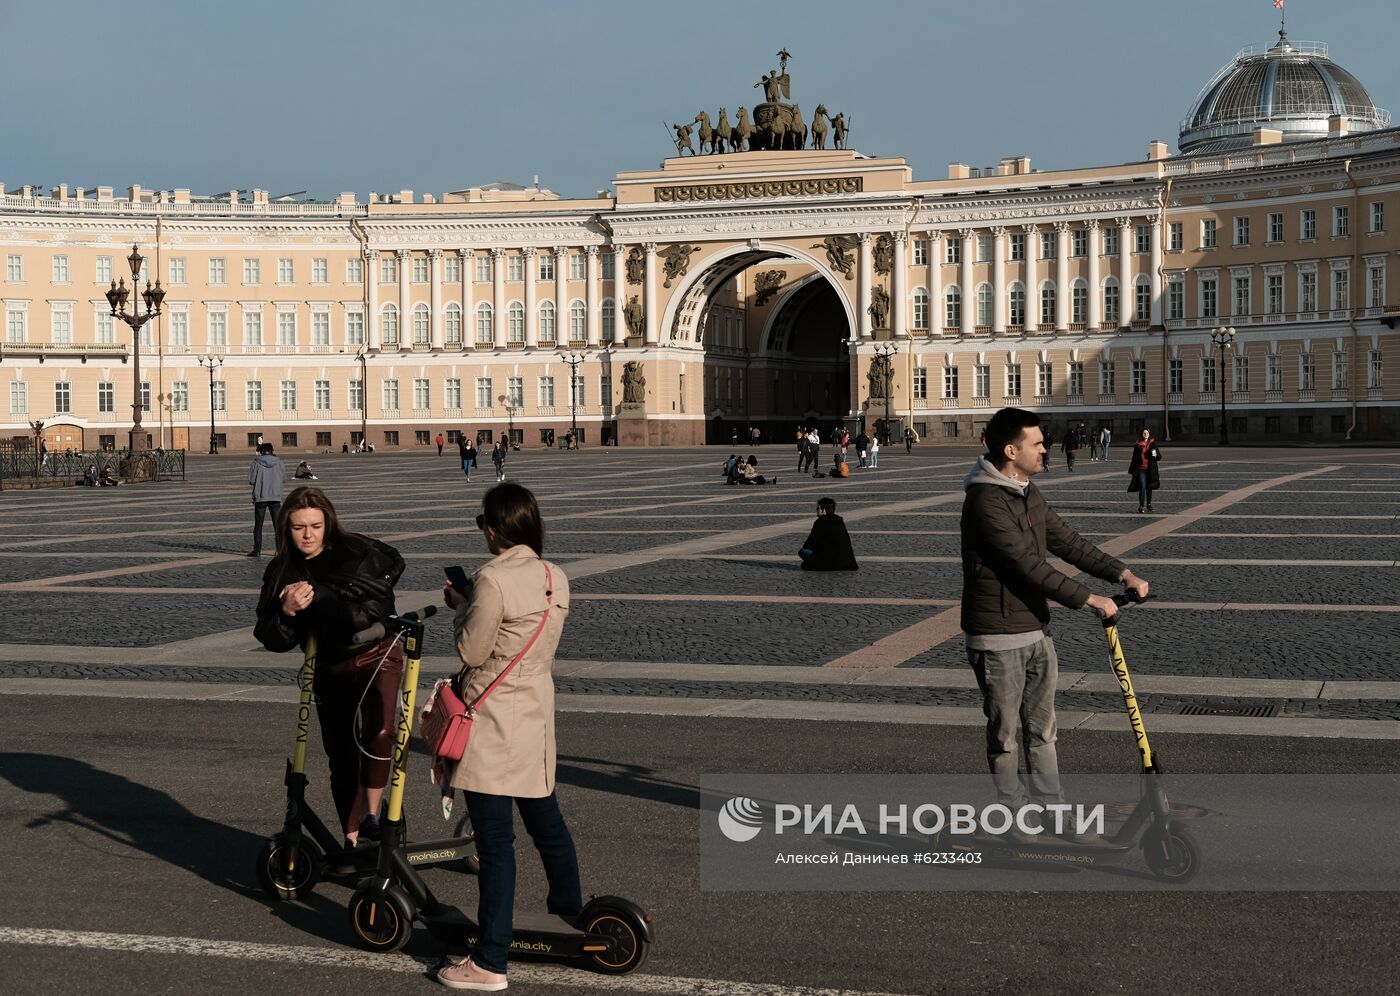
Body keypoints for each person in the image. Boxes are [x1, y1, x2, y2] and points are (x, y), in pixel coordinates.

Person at [961, 407, 1150, 843]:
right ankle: (1016, 819)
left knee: (1043, 732)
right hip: (996, 637)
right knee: (1006, 736)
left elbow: (1067, 542)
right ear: (1011, 451)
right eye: (1037, 443)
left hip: (1035, 632)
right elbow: (1027, 566)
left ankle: (1057, 818)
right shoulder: (986, 501)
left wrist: (1122, 574)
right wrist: (1089, 599)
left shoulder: (1027, 491)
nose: (1046, 448)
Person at [435, 483, 580, 991]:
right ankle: (569, 919)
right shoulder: (554, 576)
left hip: (493, 718)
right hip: (536, 712)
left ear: (494, 529)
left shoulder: (491, 579)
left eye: (483, 524)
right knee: (548, 825)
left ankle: (490, 960)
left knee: (495, 844)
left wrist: (460, 605)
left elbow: (473, 652)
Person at [253, 486, 407, 860]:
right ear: (285, 530)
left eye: (316, 526)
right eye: (298, 527)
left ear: (328, 524)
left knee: (380, 731)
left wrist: (327, 602)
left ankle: (373, 818)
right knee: (340, 755)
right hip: (328, 665)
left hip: (376, 654)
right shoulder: (282, 572)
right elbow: (269, 635)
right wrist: (287, 611)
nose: (308, 535)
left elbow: (380, 599)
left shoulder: (355, 551)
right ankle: (352, 838)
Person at [798, 497, 858, 571]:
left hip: (830, 562)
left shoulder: (820, 522)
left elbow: (808, 545)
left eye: (818, 508)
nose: (816, 510)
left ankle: (813, 564)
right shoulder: (839, 520)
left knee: (802, 551)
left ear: (824, 510)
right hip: (848, 562)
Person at [247, 442, 285, 557]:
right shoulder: (279, 462)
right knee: (277, 526)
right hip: (275, 496)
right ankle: (279, 550)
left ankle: (257, 550)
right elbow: (283, 478)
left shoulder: (256, 462)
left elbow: (252, 480)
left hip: (261, 497)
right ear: (272, 450)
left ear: (261, 452)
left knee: (258, 525)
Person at [1128, 427, 1162, 513]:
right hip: (1141, 469)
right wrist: (1132, 469)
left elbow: (1159, 457)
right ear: (1142, 434)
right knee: (1142, 487)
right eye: (1144, 433)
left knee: (1149, 487)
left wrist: (1154, 456)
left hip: (1150, 469)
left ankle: (1149, 504)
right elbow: (1134, 458)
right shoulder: (1138, 445)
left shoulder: (1153, 444)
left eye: (1147, 433)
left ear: (1149, 434)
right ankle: (1141, 506)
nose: (1146, 434)